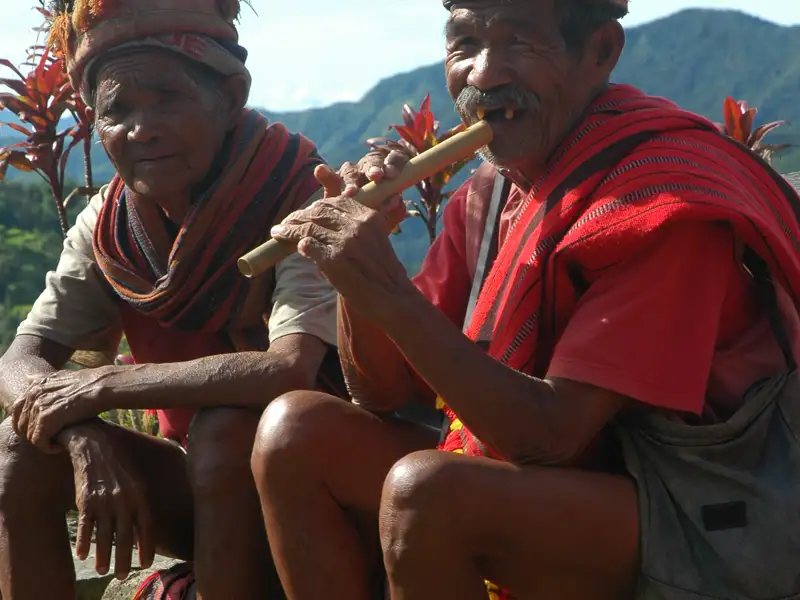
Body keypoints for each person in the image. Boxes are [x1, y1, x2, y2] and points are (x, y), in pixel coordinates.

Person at [249, 0, 800, 599]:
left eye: (521, 43)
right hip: (581, 481)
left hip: (706, 510)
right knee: (293, 432)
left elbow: (549, 438)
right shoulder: (492, 190)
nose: (484, 74)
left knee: (428, 495)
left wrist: (385, 287)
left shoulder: (662, 201)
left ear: (601, 53)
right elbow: (381, 390)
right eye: (464, 44)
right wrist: (361, 266)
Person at [0, 0, 342, 598]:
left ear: (230, 98)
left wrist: (102, 388)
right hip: (212, 491)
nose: (141, 128)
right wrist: (83, 433)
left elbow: (289, 369)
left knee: (225, 431)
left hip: (330, 489)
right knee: (17, 450)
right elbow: (18, 361)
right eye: (117, 110)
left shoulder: (305, 196)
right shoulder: (110, 226)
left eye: (167, 98)